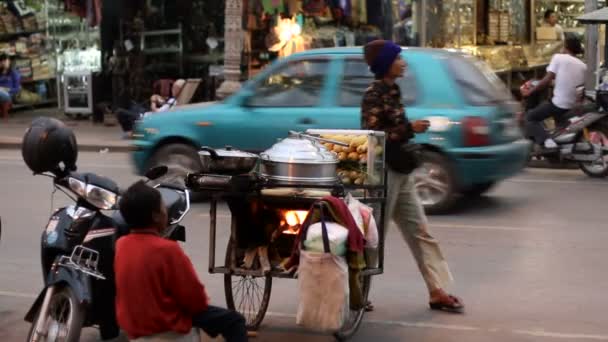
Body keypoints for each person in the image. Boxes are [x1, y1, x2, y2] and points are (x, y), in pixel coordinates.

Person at [361, 40, 464, 313]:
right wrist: (410, 128)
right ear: (386, 64)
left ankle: (437, 290)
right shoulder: (373, 94)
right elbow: (374, 137)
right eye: (398, 59)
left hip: (403, 172)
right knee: (373, 236)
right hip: (384, 174)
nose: (403, 63)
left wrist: (409, 129)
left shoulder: (393, 90)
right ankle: (356, 293)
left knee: (420, 232)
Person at [114, 181, 248, 341]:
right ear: (156, 216)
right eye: (163, 207)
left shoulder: (121, 245)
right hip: (164, 322)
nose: (166, 211)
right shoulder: (166, 249)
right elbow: (195, 300)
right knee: (235, 321)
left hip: (136, 325)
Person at [521, 36, 586, 149]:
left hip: (559, 104)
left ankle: (547, 141)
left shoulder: (558, 58)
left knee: (530, 117)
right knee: (558, 125)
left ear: (566, 47)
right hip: (573, 105)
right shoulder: (583, 66)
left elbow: (547, 80)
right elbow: (567, 81)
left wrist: (530, 91)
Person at [116, 79, 186, 137]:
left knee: (119, 112)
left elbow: (157, 113)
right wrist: (159, 99)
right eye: (173, 87)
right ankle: (130, 131)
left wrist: (153, 101)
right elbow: (165, 105)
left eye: (175, 88)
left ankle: (130, 132)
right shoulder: (175, 99)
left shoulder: (176, 102)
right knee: (130, 103)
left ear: (180, 89)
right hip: (147, 113)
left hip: (147, 118)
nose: (172, 89)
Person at [0, 53, 20, 119]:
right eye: (2, 61)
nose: (4, 63)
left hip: (8, 94)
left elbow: (17, 89)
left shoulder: (13, 73)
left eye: (6, 61)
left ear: (9, 62)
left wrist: (6, 89)